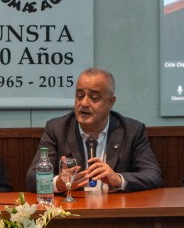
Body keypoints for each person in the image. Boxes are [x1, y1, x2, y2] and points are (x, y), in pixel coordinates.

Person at [25, 68, 163, 194]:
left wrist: (118, 179)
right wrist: (58, 184)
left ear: (111, 102)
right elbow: (32, 178)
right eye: (79, 96)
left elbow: (153, 175)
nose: (84, 103)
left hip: (116, 211)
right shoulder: (57, 129)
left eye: (94, 97)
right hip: (73, 212)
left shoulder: (131, 130)